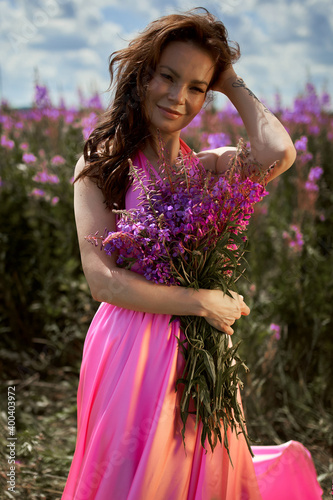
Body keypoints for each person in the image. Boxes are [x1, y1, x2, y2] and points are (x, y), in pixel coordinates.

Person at [62, 8, 323, 500]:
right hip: (130, 350)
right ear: (142, 75)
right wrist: (203, 301)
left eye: (197, 87)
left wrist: (230, 80)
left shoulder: (206, 168)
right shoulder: (103, 163)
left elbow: (279, 152)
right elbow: (103, 281)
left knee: (199, 471)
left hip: (201, 351)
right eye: (168, 76)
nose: (178, 97)